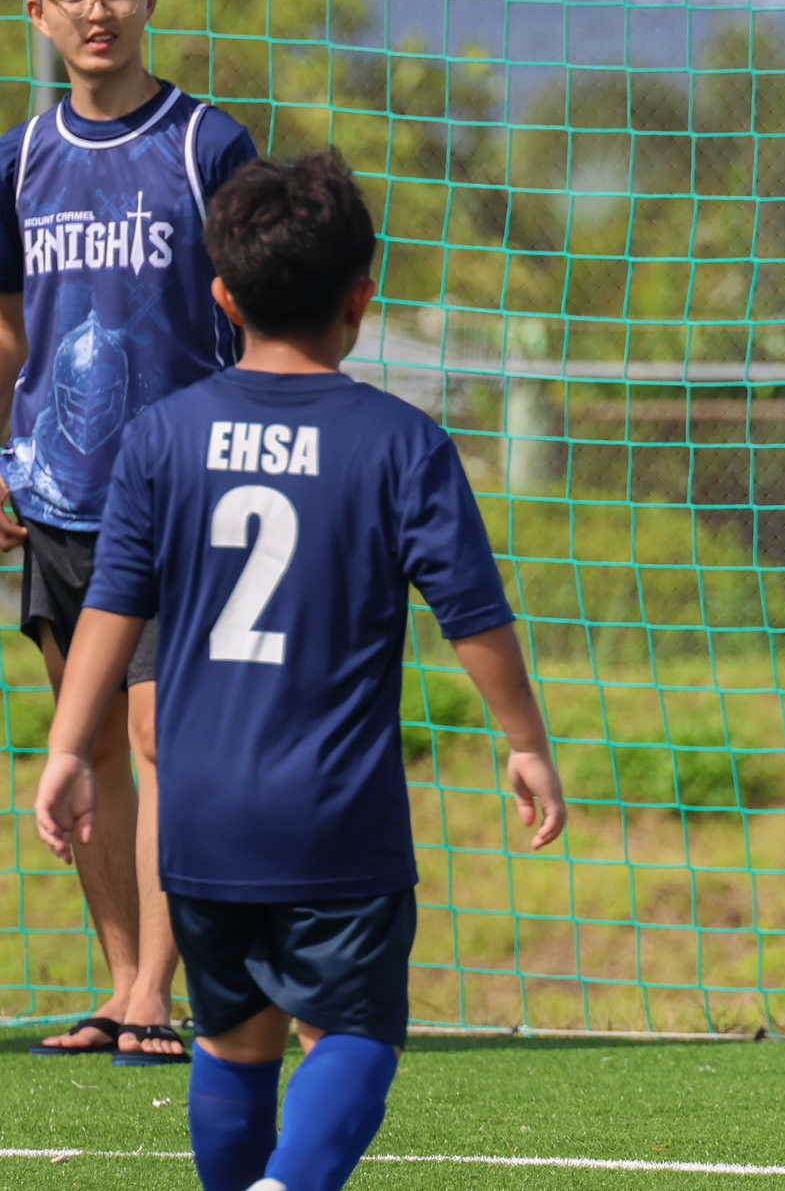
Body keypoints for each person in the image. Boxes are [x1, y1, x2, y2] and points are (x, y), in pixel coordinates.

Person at [31, 152, 568, 1191]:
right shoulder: (401, 444)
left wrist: (67, 748)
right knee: (357, 1032)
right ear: (362, 296)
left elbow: (111, 605)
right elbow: (475, 618)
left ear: (221, 295)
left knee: (236, 1041)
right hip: (336, 819)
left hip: (198, 815)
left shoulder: (161, 437)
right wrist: (525, 743)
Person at [9, 0, 258, 1064]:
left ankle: (161, 989)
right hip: (59, 499)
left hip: (185, 500)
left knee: (164, 745)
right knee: (89, 748)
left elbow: (258, 316)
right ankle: (117, 982)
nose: (96, 10)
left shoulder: (208, 144)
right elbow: (11, 331)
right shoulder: (17, 163)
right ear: (38, 11)